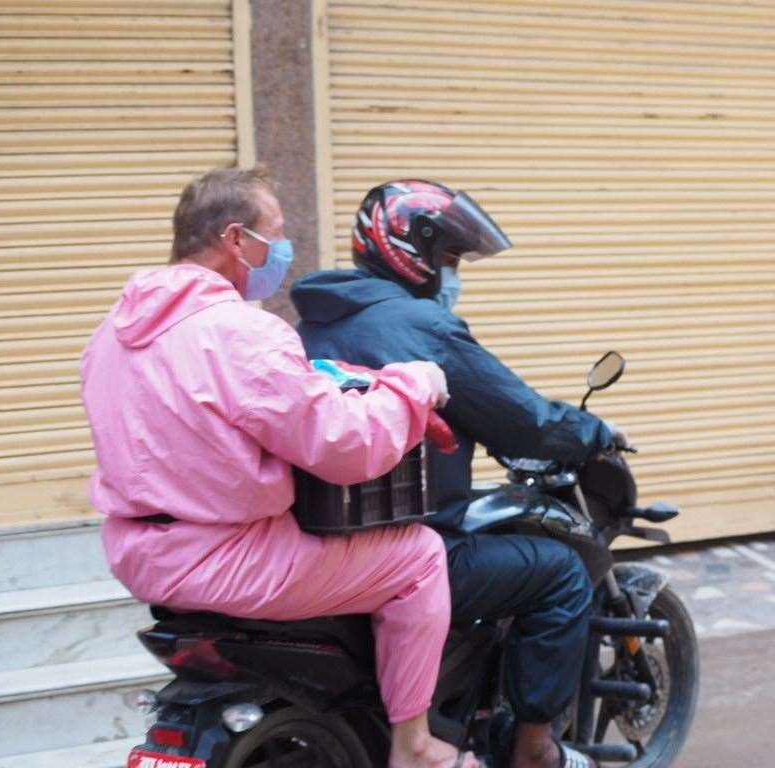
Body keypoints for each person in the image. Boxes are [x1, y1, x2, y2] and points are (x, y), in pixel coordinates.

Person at [80, 168, 479, 768]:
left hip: (142, 555)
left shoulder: (112, 333)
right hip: (230, 558)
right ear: (237, 240)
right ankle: (415, 745)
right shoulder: (242, 333)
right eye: (278, 234)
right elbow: (345, 445)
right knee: (419, 555)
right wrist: (412, 385)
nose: (283, 251)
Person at [291, 180, 629, 768]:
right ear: (408, 251)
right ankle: (536, 750)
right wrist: (593, 432)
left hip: (324, 544)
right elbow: (520, 420)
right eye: (448, 257)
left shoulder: (310, 324)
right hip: (411, 548)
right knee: (561, 574)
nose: (453, 273)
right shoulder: (422, 327)